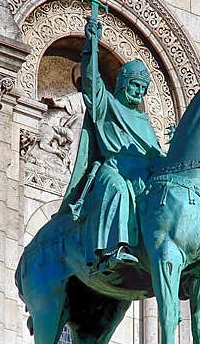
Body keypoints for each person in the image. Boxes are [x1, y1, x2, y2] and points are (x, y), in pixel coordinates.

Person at [60, 18, 165, 274]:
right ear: (123, 84)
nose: (138, 92)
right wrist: (90, 46)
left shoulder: (144, 121)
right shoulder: (106, 105)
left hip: (141, 175)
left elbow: (154, 154)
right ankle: (113, 251)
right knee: (117, 189)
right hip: (114, 169)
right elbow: (91, 81)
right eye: (135, 85)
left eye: (143, 88)